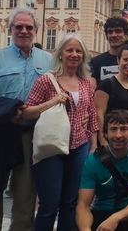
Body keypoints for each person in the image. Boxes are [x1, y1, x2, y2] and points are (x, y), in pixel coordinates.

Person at [0, 5, 53, 230]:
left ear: (36, 29)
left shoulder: (48, 61)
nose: (23, 31)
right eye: (19, 27)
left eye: (28, 27)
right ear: (10, 29)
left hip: (30, 135)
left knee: (26, 195)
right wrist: (9, 111)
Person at [22, 33, 99, 231]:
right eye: (70, 50)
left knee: (71, 203)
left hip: (79, 147)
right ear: (60, 54)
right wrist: (52, 102)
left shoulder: (86, 82)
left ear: (83, 55)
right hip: (52, 147)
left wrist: (93, 145)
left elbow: (91, 115)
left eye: (78, 51)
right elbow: (26, 112)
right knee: (49, 205)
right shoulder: (46, 80)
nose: (74, 54)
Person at [76, 110, 128, 231]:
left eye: (123, 129)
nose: (118, 135)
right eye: (113, 129)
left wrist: (116, 218)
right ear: (105, 133)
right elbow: (83, 206)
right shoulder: (92, 161)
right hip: (102, 211)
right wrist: (85, 228)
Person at [89, 17, 128, 84]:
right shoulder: (95, 62)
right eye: (110, 32)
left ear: (126, 34)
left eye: (118, 31)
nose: (114, 35)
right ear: (107, 36)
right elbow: (92, 89)